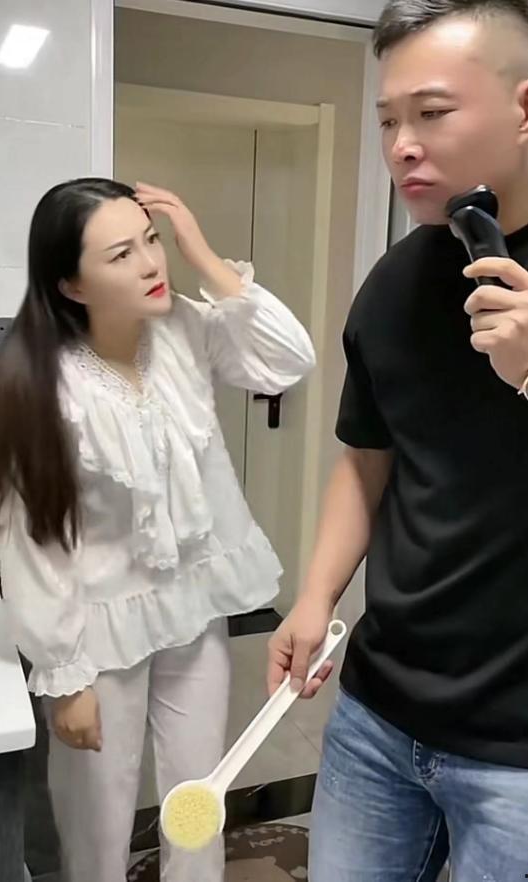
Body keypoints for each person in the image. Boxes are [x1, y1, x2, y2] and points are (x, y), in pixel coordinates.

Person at [0, 177, 315, 882]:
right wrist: (66, 678)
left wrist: (203, 254)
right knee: (97, 820)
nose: (150, 264)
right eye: (121, 254)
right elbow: (34, 542)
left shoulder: (184, 329)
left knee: (200, 795)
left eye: (152, 240)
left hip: (192, 609)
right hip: (97, 631)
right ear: (72, 285)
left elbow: (288, 360)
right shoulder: (39, 384)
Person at [267, 1, 528, 879]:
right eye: (386, 121)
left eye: (432, 112)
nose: (401, 146)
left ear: (524, 108)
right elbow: (368, 458)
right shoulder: (396, 279)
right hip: (376, 714)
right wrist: (314, 598)